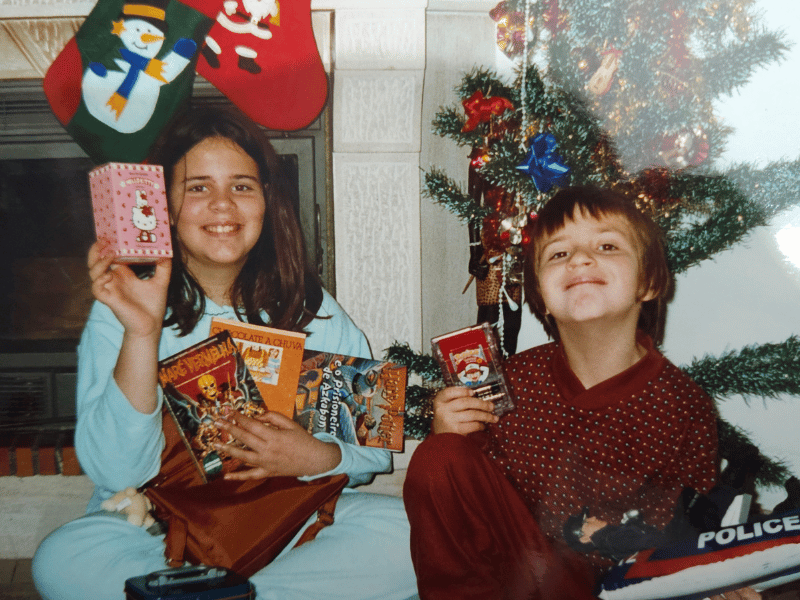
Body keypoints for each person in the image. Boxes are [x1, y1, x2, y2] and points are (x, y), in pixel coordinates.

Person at [32, 106, 417, 600]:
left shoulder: (312, 308)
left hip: (287, 519)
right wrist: (143, 333)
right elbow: (116, 475)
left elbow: (373, 452)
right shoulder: (121, 311)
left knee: (413, 534)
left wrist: (314, 454)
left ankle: (216, 595)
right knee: (64, 559)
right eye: (198, 187)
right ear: (164, 206)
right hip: (154, 527)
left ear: (265, 202)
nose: (222, 205)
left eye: (241, 185)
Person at [403, 185, 760, 600]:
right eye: (558, 254)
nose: (580, 259)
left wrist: (713, 579)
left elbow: (691, 529)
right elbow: (469, 496)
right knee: (438, 457)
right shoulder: (510, 379)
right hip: (517, 564)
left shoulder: (682, 404)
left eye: (607, 246)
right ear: (542, 298)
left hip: (612, 582)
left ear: (647, 282)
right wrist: (449, 431)